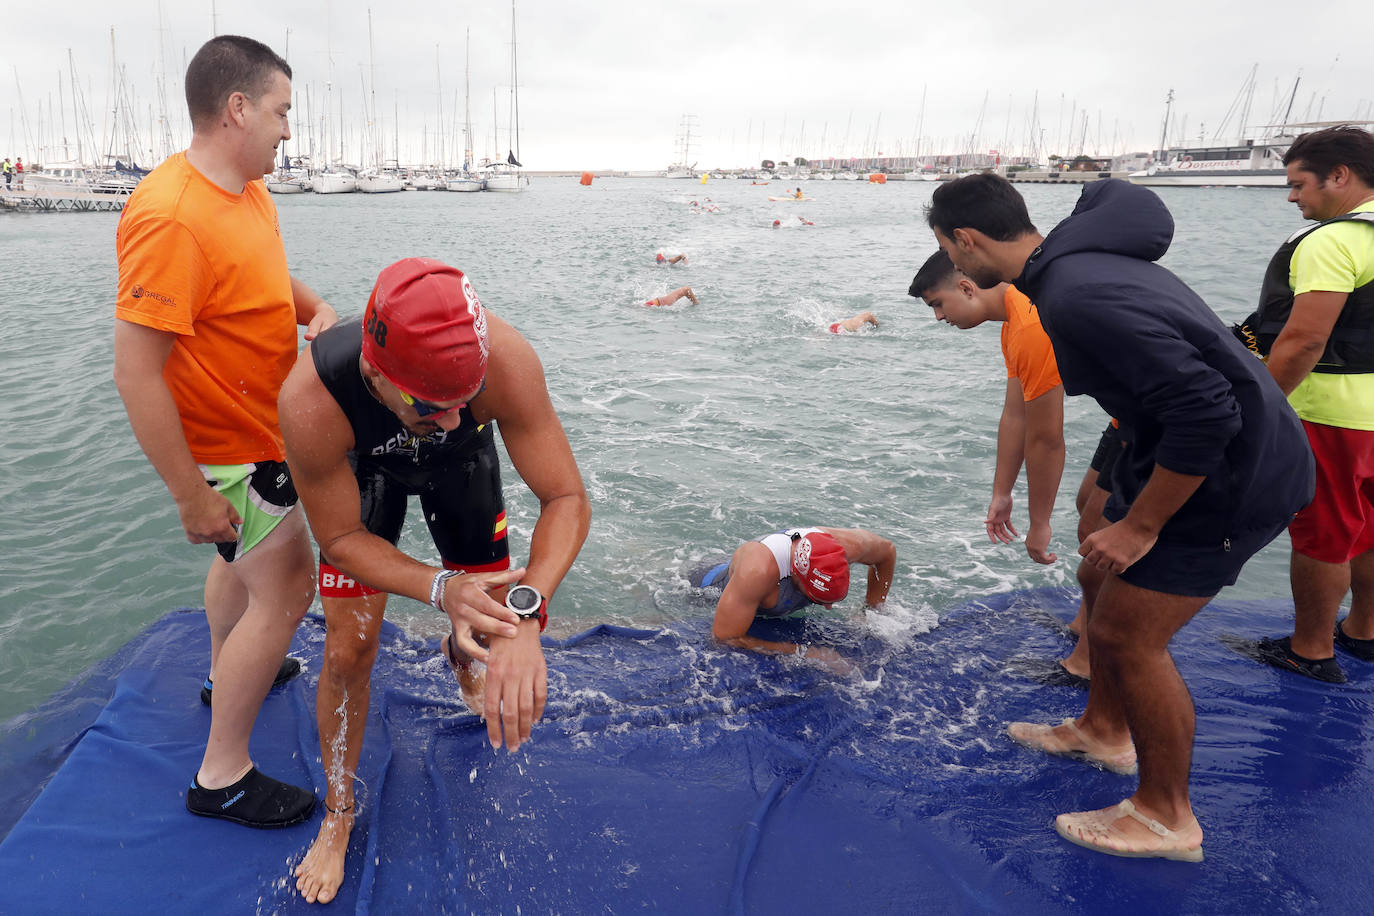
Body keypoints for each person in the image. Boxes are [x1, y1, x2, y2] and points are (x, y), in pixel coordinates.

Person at [927, 173, 1312, 861]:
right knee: (1099, 586)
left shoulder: (1075, 295)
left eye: (952, 256)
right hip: (1173, 454)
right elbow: (1115, 190)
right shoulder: (1078, 260)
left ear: (967, 240)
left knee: (1130, 637)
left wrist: (1141, 526)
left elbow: (1207, 411)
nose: (956, 268)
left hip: (1236, 474)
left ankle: (1167, 817)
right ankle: (1103, 730)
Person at [278, 257, 591, 905]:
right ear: (375, 373)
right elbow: (339, 540)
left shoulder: (505, 362)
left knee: (490, 618)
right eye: (432, 406)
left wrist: (526, 613)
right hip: (364, 472)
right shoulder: (314, 401)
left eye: (464, 398)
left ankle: (464, 657)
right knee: (348, 650)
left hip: (462, 472)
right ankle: (339, 811)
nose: (450, 417)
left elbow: (565, 497)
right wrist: (438, 588)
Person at [113, 35, 338, 829]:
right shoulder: (173, 217)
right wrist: (190, 495)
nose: (287, 130)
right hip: (231, 454)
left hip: (261, 430)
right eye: (280, 112)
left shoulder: (245, 187)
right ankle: (223, 775)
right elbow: (136, 372)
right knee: (285, 588)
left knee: (241, 569)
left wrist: (312, 311)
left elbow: (264, 274)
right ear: (237, 109)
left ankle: (224, 670)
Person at [1249, 126, 1374, 683]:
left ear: (1340, 176)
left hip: (1335, 413)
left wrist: (1261, 408)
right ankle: (1364, 632)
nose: (1293, 197)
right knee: (1366, 524)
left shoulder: (1333, 241)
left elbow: (1303, 340)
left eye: (1298, 184)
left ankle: (1310, 649)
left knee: (1325, 529)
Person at [909, 249, 1064, 567]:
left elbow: (1046, 438)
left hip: (1159, 412)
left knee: (1103, 523)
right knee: (1091, 506)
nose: (938, 317)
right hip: (1130, 417)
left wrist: (1039, 524)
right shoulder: (1013, 323)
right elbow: (1015, 416)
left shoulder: (1029, 326)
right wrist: (1001, 493)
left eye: (937, 303)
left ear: (966, 288)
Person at [694, 527, 896, 671]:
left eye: (835, 599)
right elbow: (723, 638)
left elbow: (887, 552)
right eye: (818, 599)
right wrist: (806, 653)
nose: (829, 607)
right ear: (797, 577)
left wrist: (870, 610)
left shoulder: (849, 546)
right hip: (707, 585)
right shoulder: (758, 573)